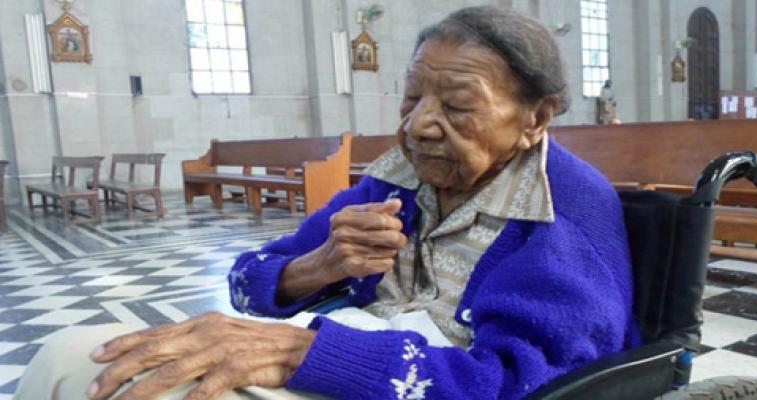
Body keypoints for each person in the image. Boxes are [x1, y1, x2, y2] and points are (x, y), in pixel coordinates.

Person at [15, 6, 638, 400]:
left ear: (535, 118)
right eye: (411, 97)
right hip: (344, 354)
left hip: (381, 377)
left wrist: (296, 351)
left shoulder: (565, 213)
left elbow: (527, 385)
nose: (419, 125)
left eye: (456, 105)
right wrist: (318, 268)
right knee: (73, 351)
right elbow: (244, 280)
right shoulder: (397, 182)